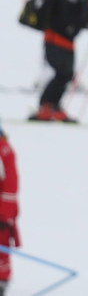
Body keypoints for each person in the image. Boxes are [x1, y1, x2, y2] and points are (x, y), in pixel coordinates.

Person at [0, 120, 18, 296]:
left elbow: (11, 181)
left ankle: (1, 279)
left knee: (1, 243)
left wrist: (5, 213)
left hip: (1, 210)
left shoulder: (4, 150)